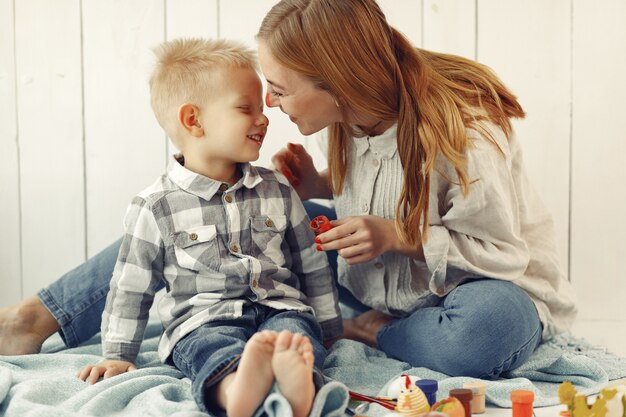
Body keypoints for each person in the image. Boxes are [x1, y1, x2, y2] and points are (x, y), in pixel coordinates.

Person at [0, 0, 576, 381]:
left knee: (485, 334)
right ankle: (37, 317)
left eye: (278, 89)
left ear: (338, 84)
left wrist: (400, 235)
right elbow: (379, 185)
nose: (269, 105)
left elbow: (505, 253)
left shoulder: (465, 134)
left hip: (481, 288)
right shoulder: (350, 118)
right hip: (375, 271)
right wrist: (322, 185)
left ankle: (372, 330)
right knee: (192, 207)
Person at [70, 37, 341, 417]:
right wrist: (117, 356)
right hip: (203, 320)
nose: (263, 118)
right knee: (210, 349)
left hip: (280, 308)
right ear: (193, 120)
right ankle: (236, 389)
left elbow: (311, 264)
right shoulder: (156, 206)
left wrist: (330, 329)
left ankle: (297, 387)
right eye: (245, 108)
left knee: (296, 338)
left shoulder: (277, 189)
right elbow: (130, 287)